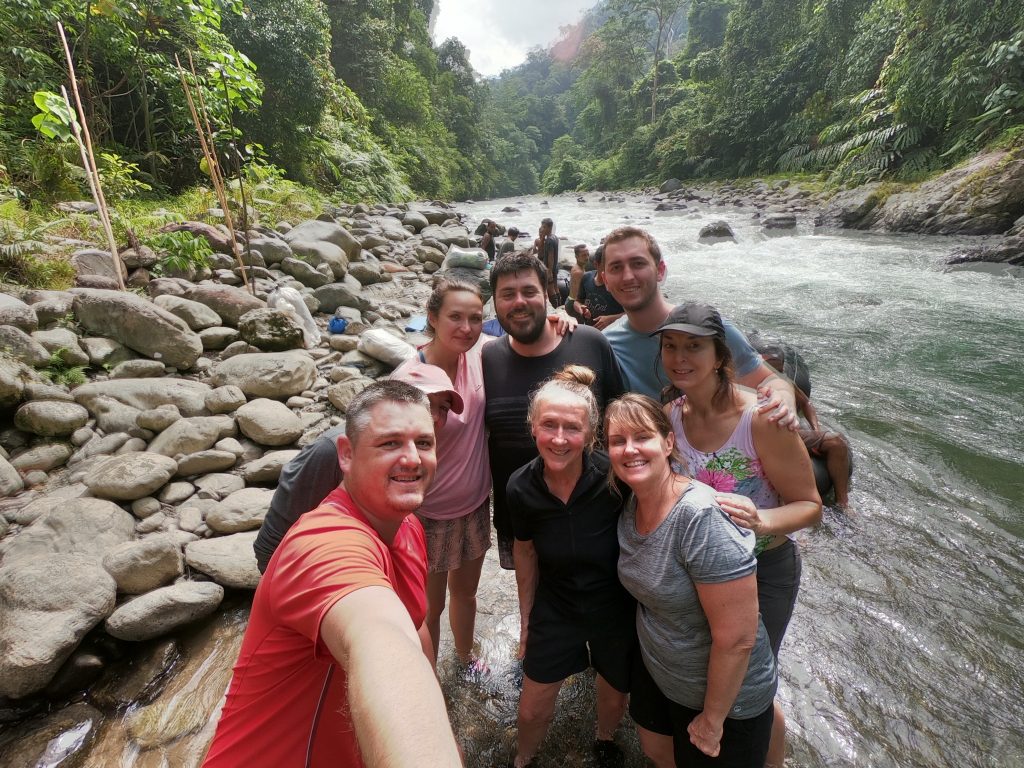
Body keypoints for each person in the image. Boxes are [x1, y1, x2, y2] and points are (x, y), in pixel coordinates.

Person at [203, 381, 461, 768]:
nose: (412, 458)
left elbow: (413, 628)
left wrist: (441, 727)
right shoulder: (322, 544)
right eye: (389, 443)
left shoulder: (406, 526)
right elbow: (379, 639)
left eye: (423, 443)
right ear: (346, 454)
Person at [655, 302, 823, 767]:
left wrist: (761, 520)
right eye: (671, 346)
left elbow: (811, 507)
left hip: (764, 567)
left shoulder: (763, 419)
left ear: (721, 356)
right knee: (720, 671)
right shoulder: (671, 416)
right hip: (703, 572)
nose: (680, 357)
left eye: (694, 346)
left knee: (755, 682)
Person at [606, 393, 778, 768]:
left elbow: (737, 638)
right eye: (618, 441)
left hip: (725, 701)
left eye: (642, 437)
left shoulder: (701, 519)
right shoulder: (632, 499)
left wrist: (714, 720)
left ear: (668, 442)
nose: (630, 449)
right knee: (657, 753)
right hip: (663, 673)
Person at [507, 365, 635, 768]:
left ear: (592, 435)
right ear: (532, 427)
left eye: (572, 429)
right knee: (531, 710)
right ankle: (524, 758)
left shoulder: (616, 477)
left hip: (614, 606)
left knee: (614, 692)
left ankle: (604, 738)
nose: (559, 439)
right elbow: (525, 554)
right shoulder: (520, 488)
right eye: (549, 425)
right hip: (557, 605)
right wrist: (527, 621)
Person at [483, 252, 626, 570]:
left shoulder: (588, 342)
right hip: (521, 523)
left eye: (529, 292)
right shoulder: (486, 358)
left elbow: (621, 417)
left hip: (599, 512)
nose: (519, 302)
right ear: (494, 302)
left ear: (548, 293)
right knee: (535, 610)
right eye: (507, 294)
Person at [253, 366, 462, 574]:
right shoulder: (329, 450)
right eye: (420, 401)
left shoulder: (420, 454)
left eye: (442, 407)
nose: (432, 415)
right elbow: (271, 543)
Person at [392, 277, 493, 674]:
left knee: (466, 593)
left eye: (475, 318)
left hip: (474, 502)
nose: (466, 328)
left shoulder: (481, 352)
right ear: (432, 318)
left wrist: (559, 319)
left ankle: (466, 659)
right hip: (426, 514)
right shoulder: (407, 379)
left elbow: (527, 339)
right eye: (455, 317)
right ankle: (426, 676)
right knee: (427, 606)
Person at [598, 226, 797, 426]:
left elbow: (768, 380)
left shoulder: (707, 329)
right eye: (616, 267)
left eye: (638, 264)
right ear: (605, 280)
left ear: (660, 270)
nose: (628, 276)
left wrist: (783, 398)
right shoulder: (605, 345)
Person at [747, 331, 852, 508]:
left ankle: (843, 502)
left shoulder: (782, 379)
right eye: (773, 369)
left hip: (790, 432)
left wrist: (815, 428)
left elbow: (806, 403)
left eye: (780, 370)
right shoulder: (746, 381)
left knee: (837, 443)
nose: (777, 374)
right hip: (762, 437)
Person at [568, 244, 625, 330]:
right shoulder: (586, 277)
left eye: (615, 266)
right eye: (605, 265)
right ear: (596, 264)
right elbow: (578, 301)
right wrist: (581, 308)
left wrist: (610, 319)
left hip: (610, 333)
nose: (609, 269)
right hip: (590, 331)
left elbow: (633, 314)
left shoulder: (619, 284)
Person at [535, 218, 562, 307]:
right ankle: (559, 304)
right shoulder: (555, 237)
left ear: (549, 227)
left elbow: (550, 256)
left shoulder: (549, 240)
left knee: (551, 288)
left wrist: (549, 270)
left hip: (550, 267)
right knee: (555, 286)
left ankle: (555, 306)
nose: (542, 229)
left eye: (543, 227)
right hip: (555, 267)